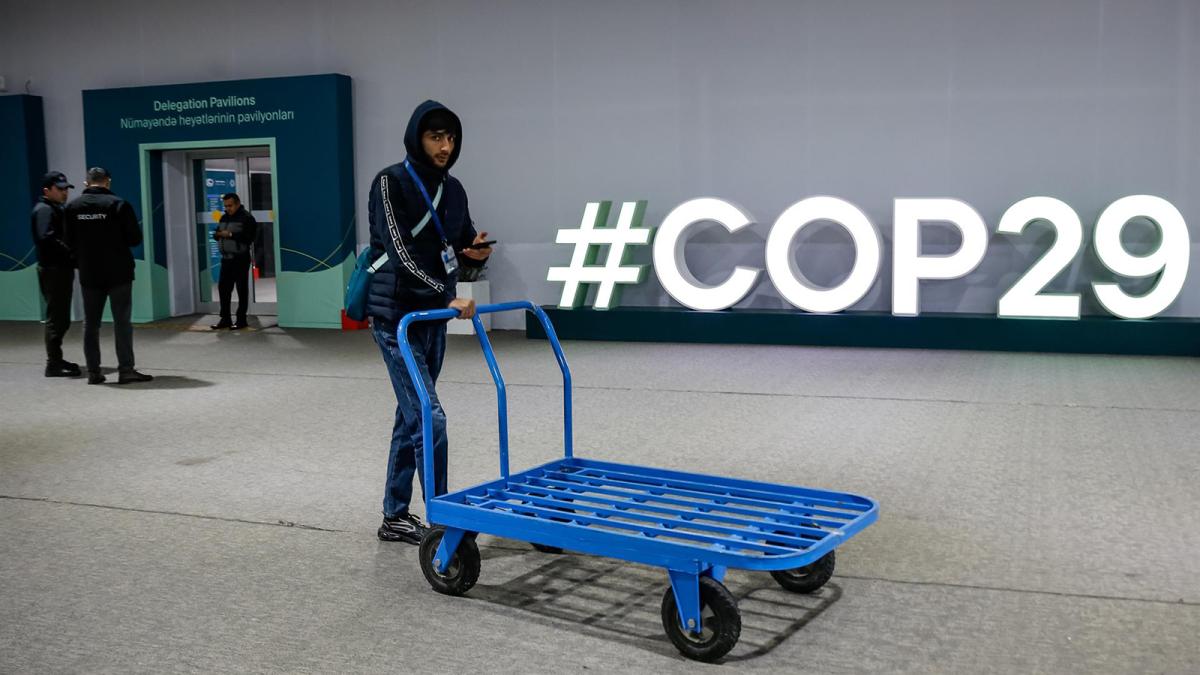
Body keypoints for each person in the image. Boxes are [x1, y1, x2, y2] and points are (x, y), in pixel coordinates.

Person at [367, 100, 493, 543]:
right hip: (396, 318)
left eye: (451, 137)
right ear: (417, 138)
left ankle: (394, 515)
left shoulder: (454, 188)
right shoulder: (390, 182)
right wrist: (447, 293)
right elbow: (400, 253)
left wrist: (475, 253)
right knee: (428, 416)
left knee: (412, 416)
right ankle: (443, 521)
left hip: (433, 319)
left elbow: (460, 247)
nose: (445, 146)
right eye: (436, 137)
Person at [64, 167, 153, 385]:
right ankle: (126, 370)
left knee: (90, 324)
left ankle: (94, 372)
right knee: (122, 321)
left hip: (89, 272)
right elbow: (134, 239)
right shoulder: (118, 205)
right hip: (118, 272)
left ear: (86, 183)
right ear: (108, 182)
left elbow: (67, 241)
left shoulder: (72, 207)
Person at [31, 171, 81, 377]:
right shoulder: (44, 210)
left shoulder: (55, 209)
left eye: (65, 189)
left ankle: (56, 359)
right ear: (47, 190)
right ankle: (53, 362)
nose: (64, 193)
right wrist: (71, 253)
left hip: (59, 269)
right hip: (54, 270)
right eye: (59, 189)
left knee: (61, 317)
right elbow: (46, 238)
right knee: (56, 317)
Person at [210, 192, 257, 330]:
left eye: (230, 205)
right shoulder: (224, 217)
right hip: (226, 259)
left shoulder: (247, 218)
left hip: (240, 258)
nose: (227, 208)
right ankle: (225, 319)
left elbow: (249, 238)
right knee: (223, 288)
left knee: (241, 289)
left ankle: (241, 320)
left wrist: (230, 234)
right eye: (225, 206)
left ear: (237, 203)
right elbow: (218, 233)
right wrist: (217, 235)